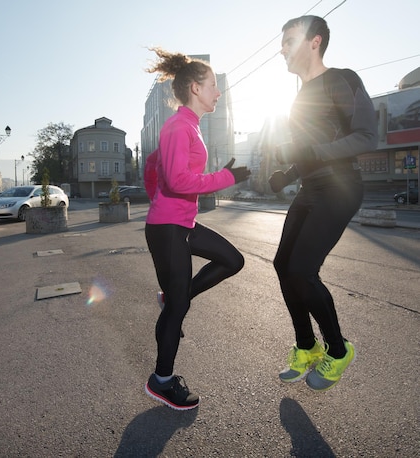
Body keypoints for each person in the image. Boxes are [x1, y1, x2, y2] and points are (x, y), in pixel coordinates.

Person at [269, 16, 378, 391]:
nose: (282, 48)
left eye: (289, 41)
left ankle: (338, 349)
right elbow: (310, 152)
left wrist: (309, 153)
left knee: (302, 270)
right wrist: (290, 172)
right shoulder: (298, 98)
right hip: (311, 187)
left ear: (314, 42)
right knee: (283, 264)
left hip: (341, 187)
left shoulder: (343, 79)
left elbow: (366, 136)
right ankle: (306, 347)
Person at [143, 48, 251, 410]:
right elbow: (175, 181)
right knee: (177, 309)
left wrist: (225, 175)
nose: (218, 93)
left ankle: (178, 294)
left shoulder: (189, 126)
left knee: (232, 260)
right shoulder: (178, 126)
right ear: (194, 88)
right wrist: (226, 177)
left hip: (181, 223)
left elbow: (163, 172)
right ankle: (161, 380)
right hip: (168, 227)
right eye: (213, 85)